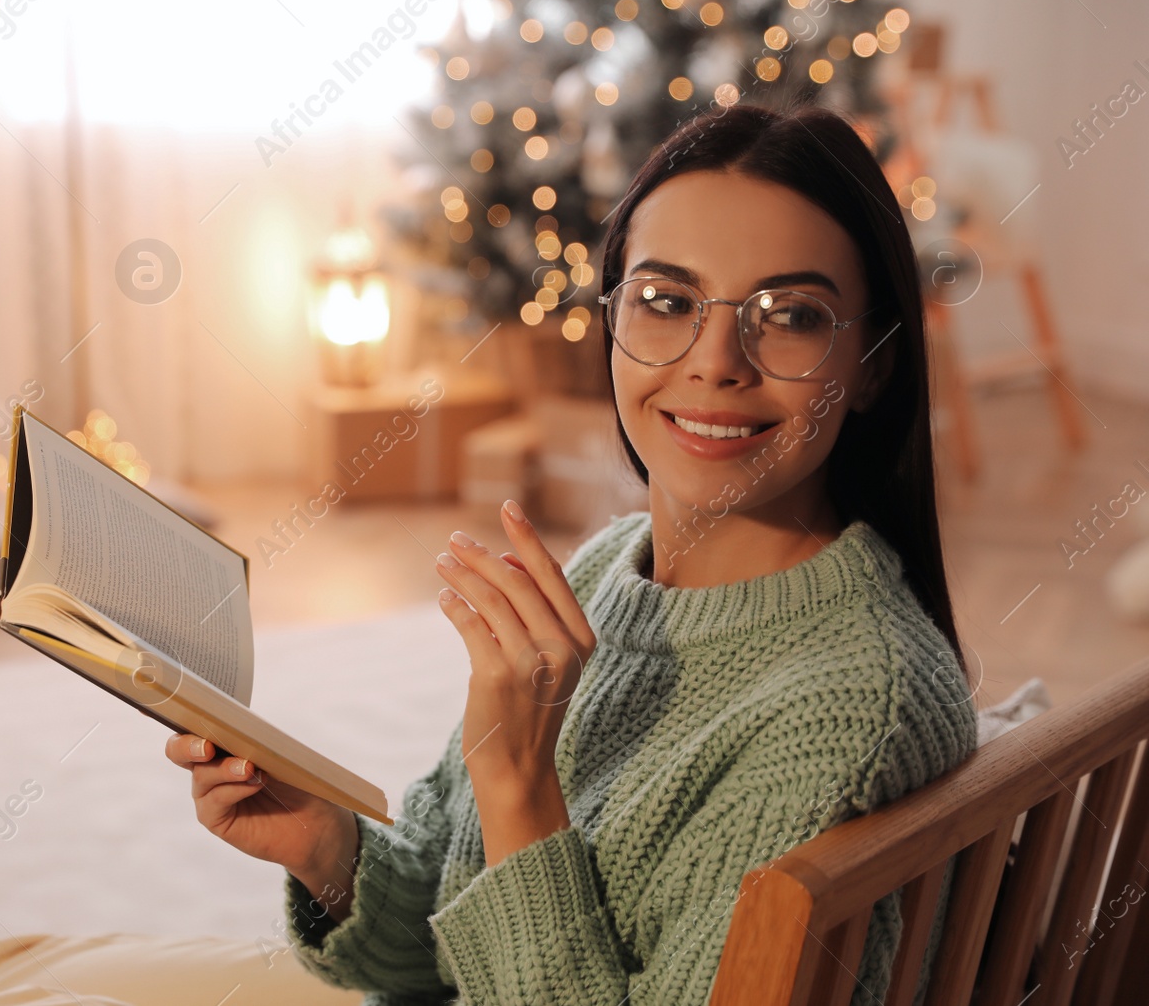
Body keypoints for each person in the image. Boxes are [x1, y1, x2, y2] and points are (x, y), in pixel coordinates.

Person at [164, 101, 979, 1005]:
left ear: (873, 361)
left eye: (789, 315)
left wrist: (519, 789)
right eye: (666, 301)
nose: (715, 361)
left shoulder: (852, 711)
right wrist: (327, 850)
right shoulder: (606, 567)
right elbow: (446, 925)